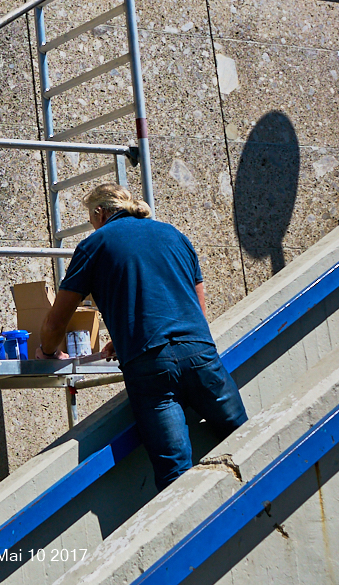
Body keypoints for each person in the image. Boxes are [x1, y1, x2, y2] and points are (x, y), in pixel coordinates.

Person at [38, 183, 247, 491]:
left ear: (100, 213)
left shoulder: (95, 244)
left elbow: (56, 323)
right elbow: (197, 309)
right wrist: (126, 338)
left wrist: (48, 351)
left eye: (90, 218)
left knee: (175, 473)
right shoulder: (174, 235)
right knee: (245, 438)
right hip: (200, 355)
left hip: (150, 367)